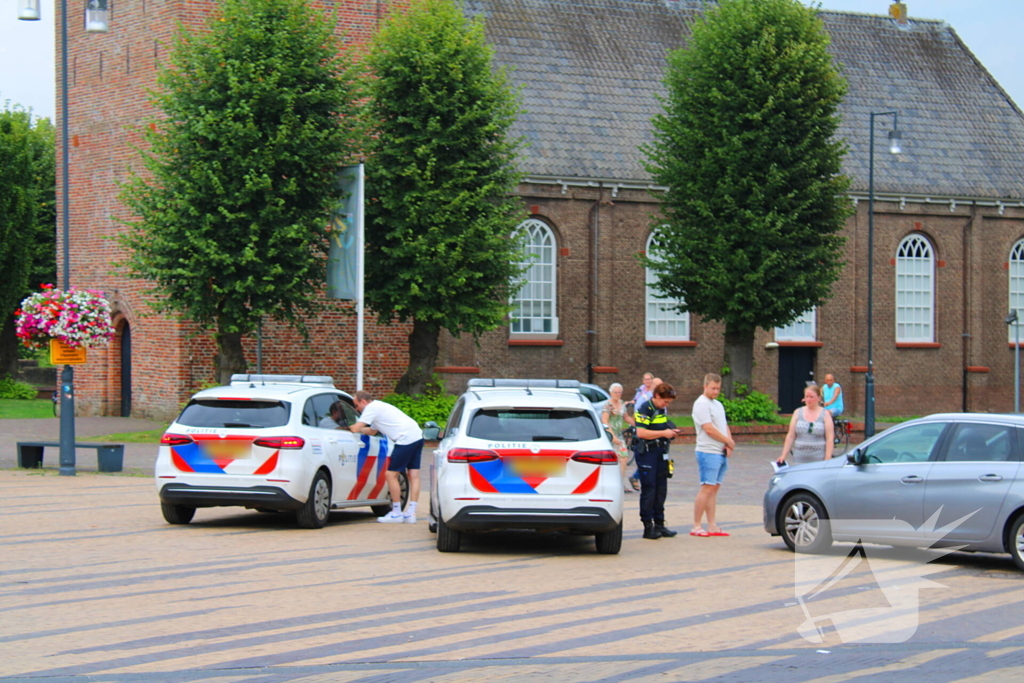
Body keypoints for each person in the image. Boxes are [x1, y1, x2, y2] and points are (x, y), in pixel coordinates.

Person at [349, 391, 425, 524]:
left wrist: (344, 427)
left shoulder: (370, 408)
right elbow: (372, 431)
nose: (356, 409)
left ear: (363, 402)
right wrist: (361, 429)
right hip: (417, 435)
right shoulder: (379, 406)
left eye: (356, 405)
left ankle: (396, 512)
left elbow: (355, 429)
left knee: (390, 475)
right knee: (413, 475)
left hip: (404, 439)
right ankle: (411, 513)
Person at [633, 382, 682, 539]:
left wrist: (670, 432)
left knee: (661, 489)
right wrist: (664, 433)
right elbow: (641, 433)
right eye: (665, 401)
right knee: (649, 489)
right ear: (657, 396)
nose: (666, 405)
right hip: (647, 453)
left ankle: (660, 524)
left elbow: (660, 427)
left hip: (661, 452)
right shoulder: (644, 408)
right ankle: (648, 527)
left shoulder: (661, 409)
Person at [691, 373, 734, 538]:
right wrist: (727, 441)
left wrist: (728, 442)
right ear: (705, 386)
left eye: (718, 388)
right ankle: (696, 525)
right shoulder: (701, 404)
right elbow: (708, 429)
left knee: (714, 489)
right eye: (713, 388)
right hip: (707, 451)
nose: (715, 391)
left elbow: (723, 425)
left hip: (720, 450)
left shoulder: (718, 404)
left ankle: (712, 525)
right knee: (706, 487)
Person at [777, 384, 834, 466]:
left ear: (818, 398)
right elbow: (791, 436)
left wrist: (828, 457)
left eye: (811, 397)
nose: (809, 399)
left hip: (818, 458)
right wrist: (783, 455)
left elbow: (829, 438)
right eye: (807, 397)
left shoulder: (825, 414)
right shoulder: (798, 412)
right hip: (799, 457)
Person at [601, 382, 635, 493]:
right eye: (616, 392)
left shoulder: (621, 404)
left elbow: (626, 417)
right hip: (610, 435)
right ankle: (609, 484)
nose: (618, 394)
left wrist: (638, 426)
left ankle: (620, 483)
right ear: (611, 393)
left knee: (624, 458)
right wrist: (612, 436)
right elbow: (604, 421)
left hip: (619, 435)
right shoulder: (608, 405)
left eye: (620, 392)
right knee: (611, 460)